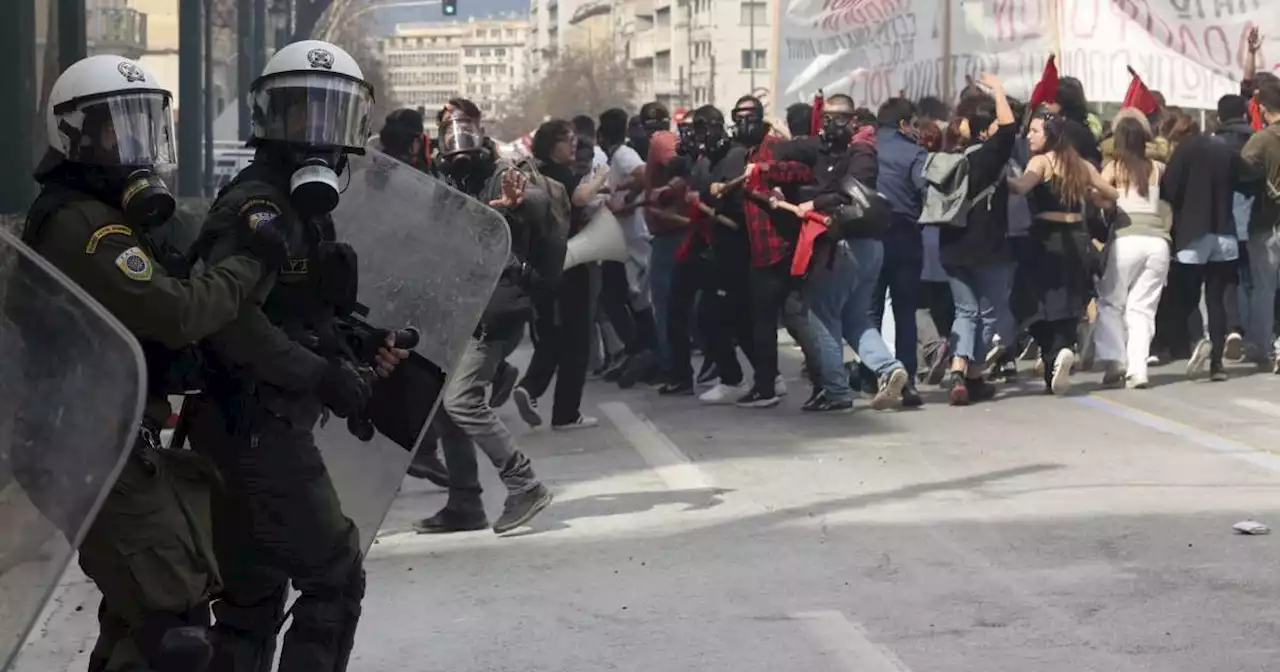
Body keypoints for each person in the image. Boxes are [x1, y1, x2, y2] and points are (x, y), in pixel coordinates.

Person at [22, 54, 281, 672]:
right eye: (116, 129)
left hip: (103, 440)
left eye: (144, 123)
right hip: (81, 447)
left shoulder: (112, 216)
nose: (133, 144)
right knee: (177, 623)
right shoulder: (83, 225)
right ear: (74, 136)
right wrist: (249, 260)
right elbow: (178, 313)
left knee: (138, 622)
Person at [182, 41, 409, 672]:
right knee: (334, 577)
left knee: (251, 597)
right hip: (255, 426)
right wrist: (320, 374)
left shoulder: (300, 209)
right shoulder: (259, 206)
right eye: (301, 115)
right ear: (268, 119)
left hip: (252, 425)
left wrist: (356, 346)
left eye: (333, 116)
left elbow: (297, 309)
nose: (319, 134)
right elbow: (228, 319)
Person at [414, 97, 558, 534]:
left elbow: (536, 200)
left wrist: (515, 204)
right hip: (456, 304)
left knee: (463, 400)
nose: (456, 132)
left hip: (497, 305)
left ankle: (525, 484)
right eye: (447, 125)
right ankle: (465, 503)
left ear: (479, 127)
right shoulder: (443, 174)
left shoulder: (502, 170)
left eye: (463, 124)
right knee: (443, 407)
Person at [795, 93, 907, 412]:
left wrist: (813, 202)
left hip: (849, 245)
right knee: (857, 318)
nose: (830, 124)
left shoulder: (861, 151)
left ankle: (836, 391)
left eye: (836, 118)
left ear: (852, 119)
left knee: (823, 316)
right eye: (826, 117)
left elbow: (851, 192)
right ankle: (888, 368)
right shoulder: (864, 148)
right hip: (870, 247)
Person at [1008, 111, 1118, 395]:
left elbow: (1021, 187)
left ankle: (1056, 354)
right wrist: (1094, 196)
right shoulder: (1081, 165)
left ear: (1050, 135)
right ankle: (1061, 355)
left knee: (1034, 305)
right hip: (1079, 239)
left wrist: (997, 177)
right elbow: (1113, 195)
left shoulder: (1040, 162)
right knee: (1070, 304)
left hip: (1047, 240)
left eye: (1034, 131)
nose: (1028, 136)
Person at [512, 119, 601, 430]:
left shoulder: (532, 174)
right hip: (573, 264)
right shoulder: (562, 174)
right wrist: (601, 178)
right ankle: (566, 412)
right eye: (567, 141)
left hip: (542, 268)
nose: (573, 147)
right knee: (577, 341)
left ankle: (530, 387)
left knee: (552, 334)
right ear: (553, 145)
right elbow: (581, 200)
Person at [939, 74, 1019, 405]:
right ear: (987, 131)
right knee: (988, 314)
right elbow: (1010, 127)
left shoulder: (951, 160)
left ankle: (958, 369)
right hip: (988, 249)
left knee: (964, 311)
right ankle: (973, 374)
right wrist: (999, 89)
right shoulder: (990, 157)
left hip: (952, 247)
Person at [1161, 111, 1245, 381]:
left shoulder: (1183, 152)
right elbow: (1249, 177)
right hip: (1225, 231)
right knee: (1217, 297)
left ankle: (1198, 339)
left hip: (1192, 233)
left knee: (1186, 295)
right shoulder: (1225, 150)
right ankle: (1217, 364)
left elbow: (1168, 191)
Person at [1094, 115, 1171, 389]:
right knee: (1143, 309)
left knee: (1111, 302)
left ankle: (1115, 361)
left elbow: (1099, 194)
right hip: (1158, 243)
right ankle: (1138, 370)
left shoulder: (1114, 167)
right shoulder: (1158, 168)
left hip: (1125, 240)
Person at [872, 97, 927, 406]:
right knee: (905, 312)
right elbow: (926, 189)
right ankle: (908, 382)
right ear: (905, 124)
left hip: (870, 238)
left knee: (870, 311)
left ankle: (876, 373)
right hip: (906, 236)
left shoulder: (865, 149)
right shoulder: (915, 152)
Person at [1240, 82, 1280, 371]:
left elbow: (1240, 171)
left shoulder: (1261, 140)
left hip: (1267, 221)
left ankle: (1260, 346)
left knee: (1264, 288)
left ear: (1264, 109)